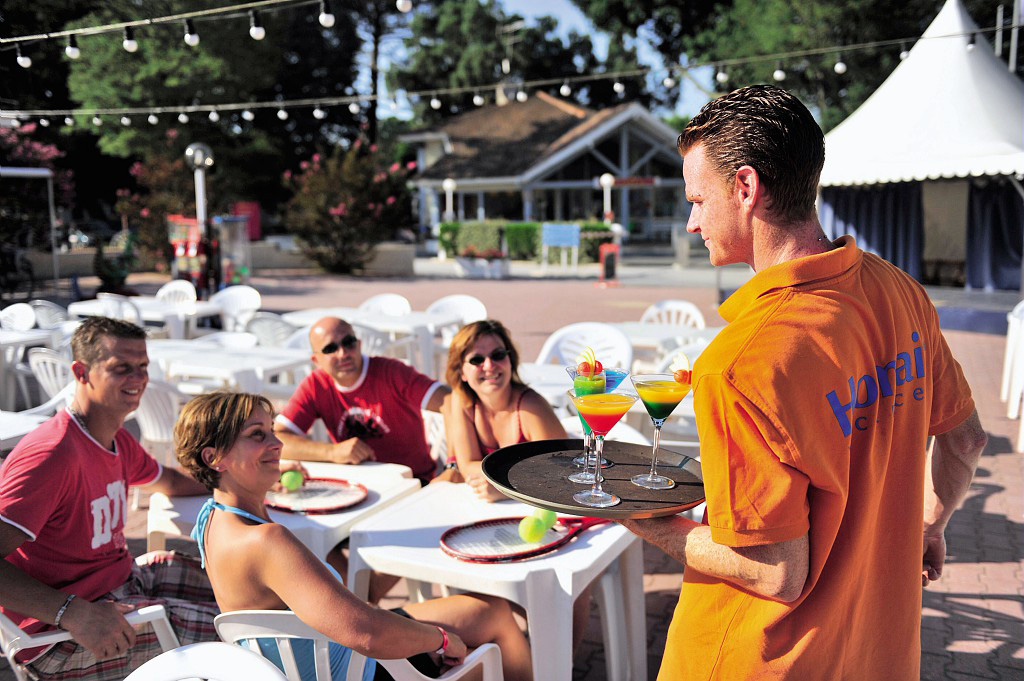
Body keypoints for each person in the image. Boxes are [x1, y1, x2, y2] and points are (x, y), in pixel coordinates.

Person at [620, 84, 986, 680]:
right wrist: (928, 525)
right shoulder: (899, 292)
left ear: (745, 188)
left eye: (696, 200)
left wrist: (640, 518)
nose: (691, 223)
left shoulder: (741, 363)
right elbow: (967, 441)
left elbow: (776, 572)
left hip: (756, 658)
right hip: (879, 651)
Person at [175, 391, 533, 681]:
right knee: (496, 622)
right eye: (258, 435)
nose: (278, 444)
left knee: (490, 611)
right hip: (355, 667)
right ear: (214, 458)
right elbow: (366, 634)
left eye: (272, 431)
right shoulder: (267, 541)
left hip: (305, 664)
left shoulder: (212, 522)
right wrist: (439, 640)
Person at [0, 316, 221, 680]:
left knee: (242, 587)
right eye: (121, 368)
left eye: (142, 367)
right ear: (81, 372)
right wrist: (71, 612)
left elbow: (169, 482)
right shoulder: (51, 456)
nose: (138, 379)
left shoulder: (115, 439)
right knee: (241, 636)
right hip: (62, 636)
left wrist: (238, 476)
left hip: (121, 584)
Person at [274, 317, 448, 484]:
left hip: (412, 481)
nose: (343, 353)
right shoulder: (315, 385)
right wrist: (332, 452)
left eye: (348, 343)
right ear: (316, 360)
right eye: (330, 349)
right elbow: (278, 440)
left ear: (359, 345)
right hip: (355, 482)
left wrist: (453, 465)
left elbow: (453, 402)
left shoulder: (392, 372)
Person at [441, 319, 567, 501]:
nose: (489, 366)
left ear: (510, 360)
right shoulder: (462, 400)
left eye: (498, 355)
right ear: (461, 372)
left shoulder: (530, 407)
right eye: (477, 359)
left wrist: (506, 488)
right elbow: (467, 465)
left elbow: (560, 469)